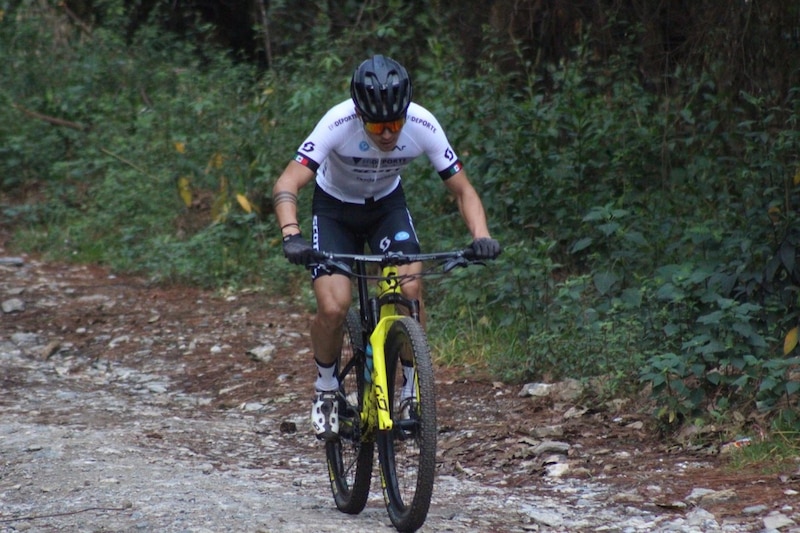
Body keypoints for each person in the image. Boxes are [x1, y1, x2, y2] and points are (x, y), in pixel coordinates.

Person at [272, 54, 500, 441]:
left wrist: (481, 236)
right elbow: (287, 183)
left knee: (409, 288)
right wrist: (291, 235)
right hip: (334, 210)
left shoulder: (423, 124)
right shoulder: (337, 122)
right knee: (333, 305)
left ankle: (412, 390)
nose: (387, 134)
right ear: (360, 114)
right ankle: (327, 387)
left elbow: (463, 190)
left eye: (395, 123)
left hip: (386, 208)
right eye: (377, 124)